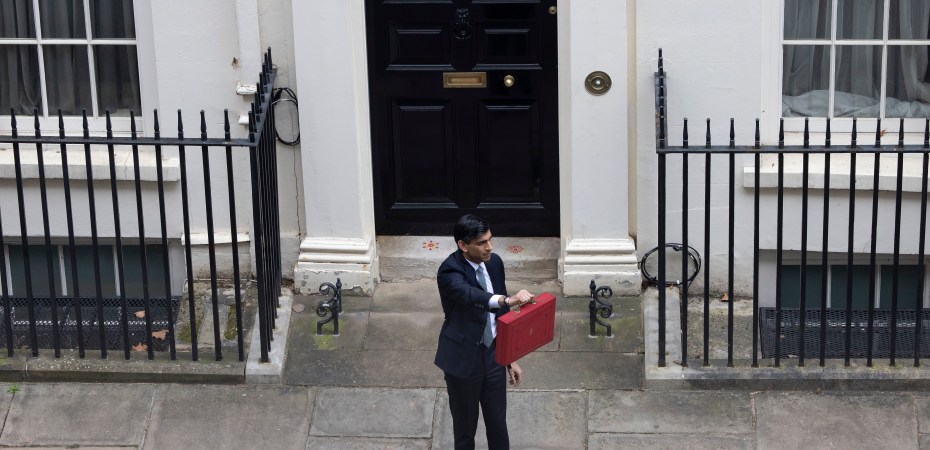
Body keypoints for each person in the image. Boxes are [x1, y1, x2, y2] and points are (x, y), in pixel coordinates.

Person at [435, 214, 534, 450]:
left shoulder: (494, 262)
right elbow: (471, 295)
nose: (489, 247)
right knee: (465, 431)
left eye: (490, 240)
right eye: (481, 243)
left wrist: (509, 358)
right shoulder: (449, 271)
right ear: (463, 245)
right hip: (462, 360)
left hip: (493, 356)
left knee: (498, 424)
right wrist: (506, 300)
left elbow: (501, 317)